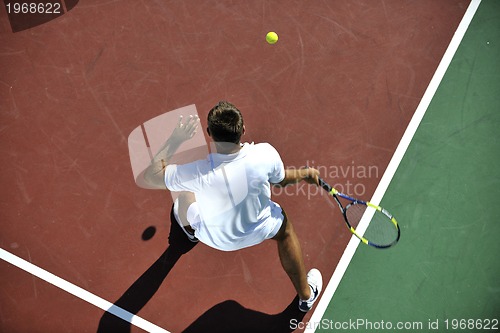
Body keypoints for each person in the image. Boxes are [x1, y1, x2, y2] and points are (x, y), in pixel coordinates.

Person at [144, 101, 322, 312]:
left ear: (209, 133)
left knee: (183, 195)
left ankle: (190, 232)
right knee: (285, 232)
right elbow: (282, 180)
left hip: (213, 237)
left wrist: (176, 139)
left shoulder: (197, 172)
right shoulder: (265, 154)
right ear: (243, 130)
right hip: (258, 228)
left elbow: (150, 177)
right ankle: (306, 296)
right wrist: (305, 174)